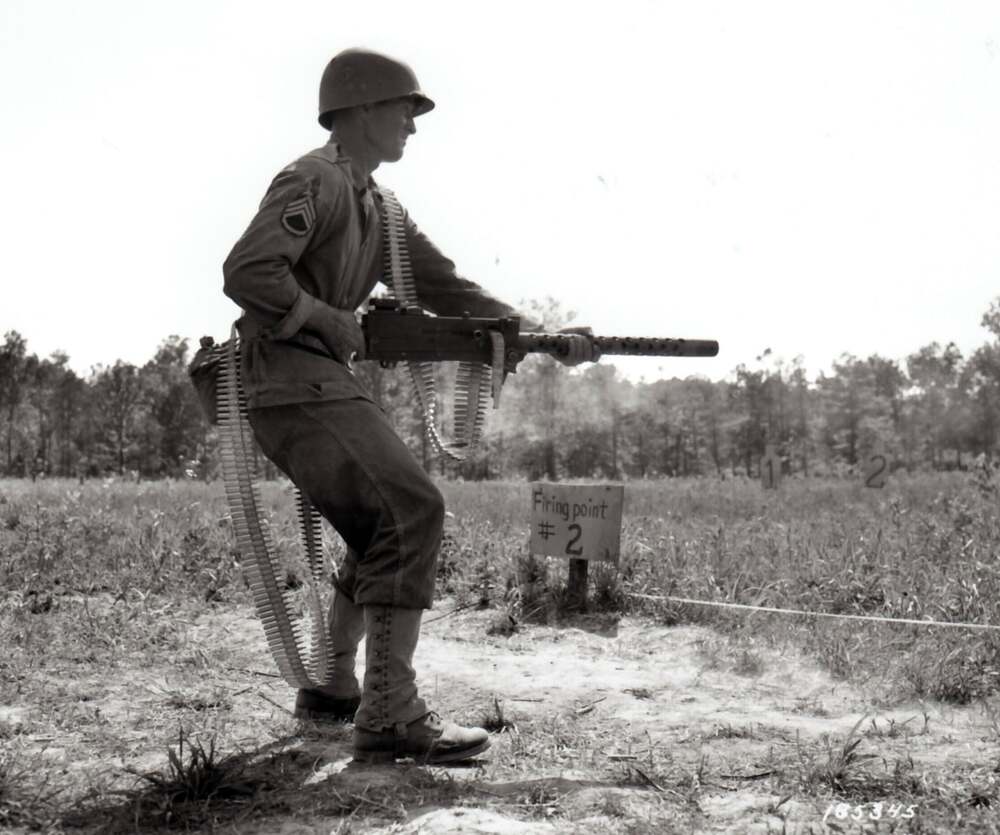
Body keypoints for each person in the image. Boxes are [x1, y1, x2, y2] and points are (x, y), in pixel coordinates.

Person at [222, 47, 595, 764]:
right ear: (359, 109)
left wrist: (545, 335)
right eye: (405, 110)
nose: (413, 127)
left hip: (316, 382)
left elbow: (446, 287)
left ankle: (334, 684)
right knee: (411, 509)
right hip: (291, 378)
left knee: (380, 524)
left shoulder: (381, 210)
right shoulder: (316, 179)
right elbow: (246, 270)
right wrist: (322, 315)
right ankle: (390, 713)